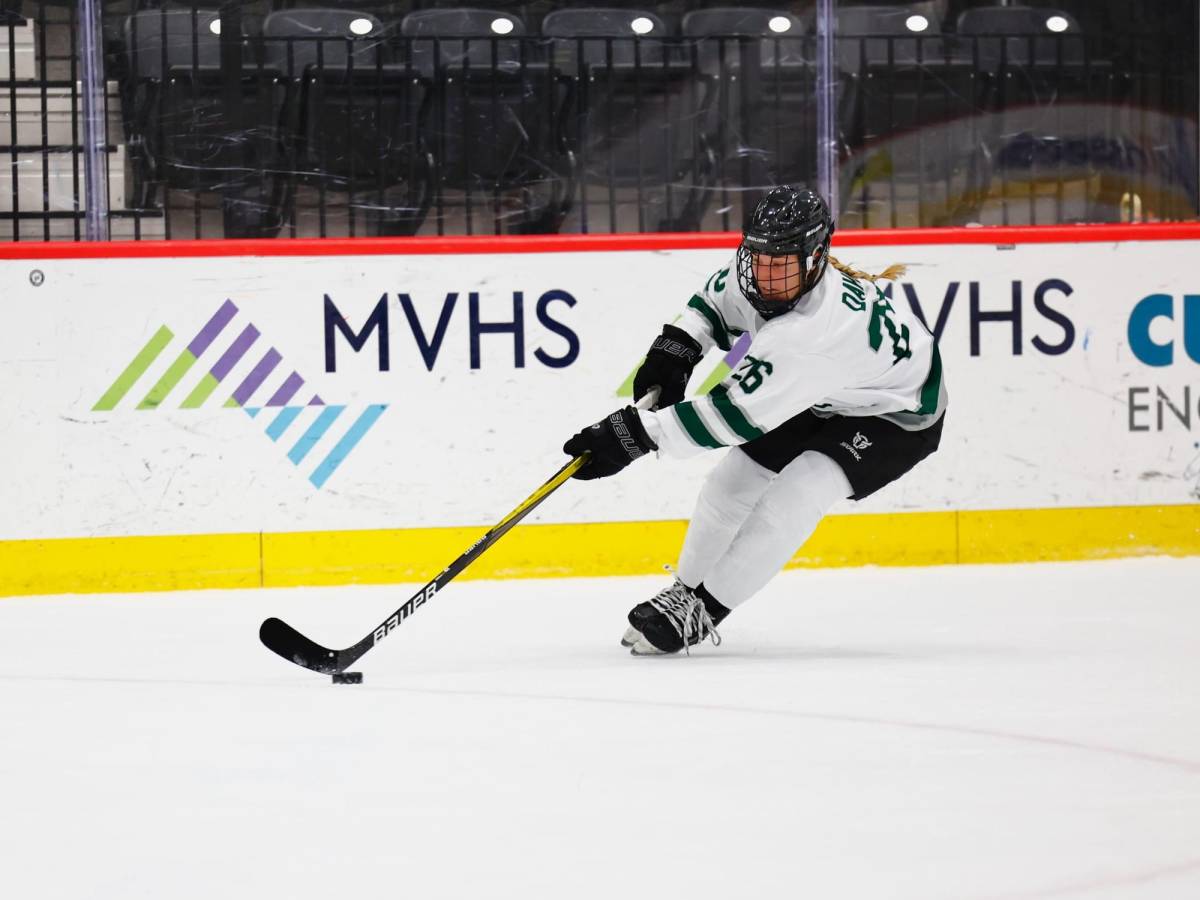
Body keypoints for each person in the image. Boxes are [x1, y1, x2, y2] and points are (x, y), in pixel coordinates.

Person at [563, 185, 948, 656]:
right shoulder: (767, 269)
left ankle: (701, 611)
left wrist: (633, 437)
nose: (765, 276)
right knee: (730, 486)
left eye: (781, 264)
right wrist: (676, 350)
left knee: (798, 492)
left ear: (816, 259)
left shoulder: (812, 335)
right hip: (826, 392)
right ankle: (681, 593)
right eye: (758, 259)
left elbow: (730, 417)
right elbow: (712, 301)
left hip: (896, 413)